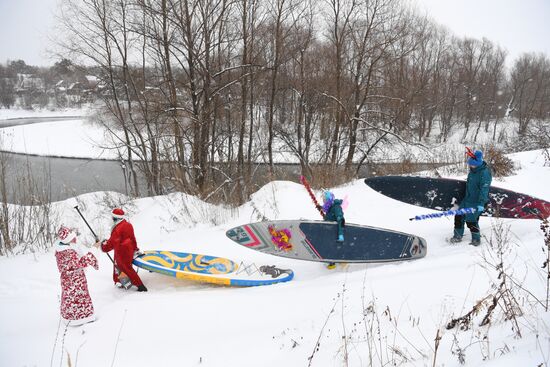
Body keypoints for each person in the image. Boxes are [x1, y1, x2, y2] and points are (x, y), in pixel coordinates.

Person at [55, 225, 98, 326]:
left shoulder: (61, 249)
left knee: (70, 298)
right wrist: (94, 249)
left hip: (69, 280)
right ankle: (81, 319)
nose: (75, 240)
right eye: (73, 239)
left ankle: (70, 317)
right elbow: (81, 262)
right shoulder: (67, 252)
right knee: (77, 299)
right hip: (75, 281)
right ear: (68, 240)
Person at [98, 208, 147, 292]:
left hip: (121, 252)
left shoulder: (117, 229)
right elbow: (132, 238)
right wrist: (135, 248)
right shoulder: (128, 225)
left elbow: (111, 243)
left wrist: (103, 246)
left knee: (124, 268)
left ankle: (140, 286)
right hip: (129, 250)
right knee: (122, 267)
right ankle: (122, 282)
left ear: (115, 218)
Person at [450, 148, 492, 246]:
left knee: (471, 220)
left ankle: (476, 239)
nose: (470, 166)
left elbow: (484, 190)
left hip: (477, 201)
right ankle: (457, 236)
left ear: (477, 163)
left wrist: (481, 203)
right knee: (459, 216)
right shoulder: (473, 171)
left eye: (472, 164)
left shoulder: (484, 173)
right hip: (468, 199)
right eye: (470, 164)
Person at [316, 190, 345, 269]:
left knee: (336, 247)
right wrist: (321, 209)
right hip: (330, 232)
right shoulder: (329, 209)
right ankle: (331, 262)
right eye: (323, 200)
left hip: (336, 232)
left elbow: (341, 220)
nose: (324, 201)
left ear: (329, 199)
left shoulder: (336, 207)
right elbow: (329, 219)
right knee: (329, 246)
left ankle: (342, 263)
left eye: (325, 199)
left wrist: (341, 234)